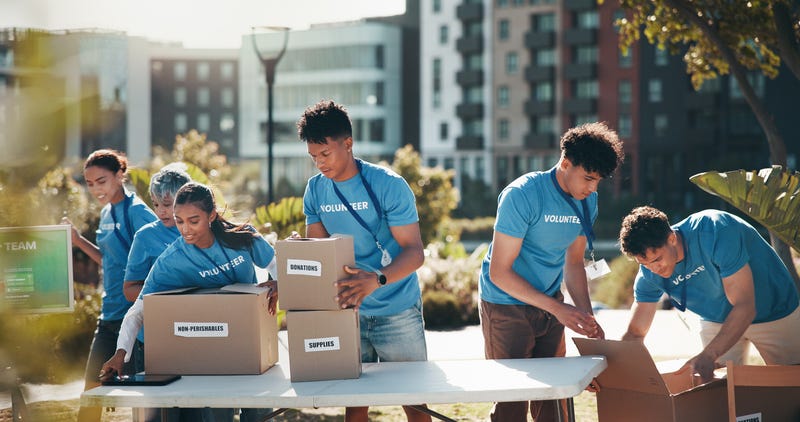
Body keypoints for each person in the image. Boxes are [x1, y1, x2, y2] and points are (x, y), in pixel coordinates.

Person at [478, 122, 624, 422]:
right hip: (506, 306)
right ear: (565, 163)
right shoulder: (521, 195)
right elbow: (500, 273)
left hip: (550, 304)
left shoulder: (587, 200)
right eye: (588, 178)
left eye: (598, 181)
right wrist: (559, 309)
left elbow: (574, 263)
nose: (593, 188)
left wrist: (585, 318)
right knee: (512, 403)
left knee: (554, 403)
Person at [297, 100, 430, 422]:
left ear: (348, 143)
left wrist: (377, 279)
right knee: (353, 402)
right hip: (349, 313)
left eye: (325, 154)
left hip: (396, 309)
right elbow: (318, 252)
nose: (319, 164)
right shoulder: (315, 190)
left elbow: (414, 252)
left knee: (415, 401)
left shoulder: (389, 185)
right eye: (313, 157)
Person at [101, 181, 278, 422]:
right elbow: (139, 310)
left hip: (251, 334)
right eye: (179, 221)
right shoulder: (170, 262)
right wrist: (121, 353)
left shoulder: (243, 237)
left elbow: (276, 265)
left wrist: (278, 282)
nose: (185, 229)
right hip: (212, 342)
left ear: (212, 215)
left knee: (258, 410)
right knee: (218, 413)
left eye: (193, 221)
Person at [618, 206, 800, 383]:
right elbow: (635, 334)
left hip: (775, 309)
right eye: (645, 263)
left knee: (791, 387)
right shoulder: (648, 274)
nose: (654, 269)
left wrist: (709, 354)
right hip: (716, 319)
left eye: (657, 259)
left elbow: (745, 306)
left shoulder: (715, 230)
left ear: (672, 238)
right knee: (721, 394)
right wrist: (613, 371)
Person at [63, 149, 158, 422]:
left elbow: (160, 257)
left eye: (101, 181)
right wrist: (78, 240)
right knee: (91, 394)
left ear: (119, 175)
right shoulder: (106, 212)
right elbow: (109, 260)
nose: (95, 189)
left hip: (135, 318)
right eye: (90, 183)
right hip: (109, 315)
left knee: (143, 402)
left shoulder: (137, 212)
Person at [122, 164, 191, 422]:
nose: (161, 212)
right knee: (153, 414)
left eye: (167, 204)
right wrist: (166, 297)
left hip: (195, 337)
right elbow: (129, 290)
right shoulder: (145, 237)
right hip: (152, 340)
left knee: (192, 412)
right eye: (156, 204)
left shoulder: (203, 232)